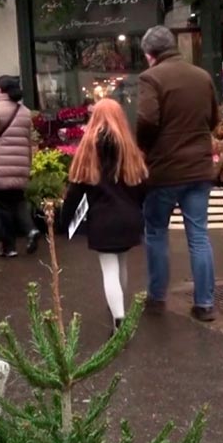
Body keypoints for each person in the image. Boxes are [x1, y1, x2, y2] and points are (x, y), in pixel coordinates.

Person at [136, 25, 220, 322]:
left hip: (164, 171)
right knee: (198, 235)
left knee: (156, 232)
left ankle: (157, 297)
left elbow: (146, 119)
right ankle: (205, 304)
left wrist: (143, 146)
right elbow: (213, 118)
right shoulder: (202, 76)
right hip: (199, 168)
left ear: (150, 54)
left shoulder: (151, 78)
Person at [61, 98, 148, 333]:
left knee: (109, 270)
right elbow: (143, 186)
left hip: (103, 219)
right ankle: (119, 306)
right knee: (122, 264)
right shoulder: (129, 149)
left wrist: (63, 221)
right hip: (129, 218)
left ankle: (119, 323)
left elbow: (75, 192)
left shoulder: (88, 150)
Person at [0, 76, 40, 257]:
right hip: (20, 166)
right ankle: (31, 230)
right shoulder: (25, 112)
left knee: (3, 207)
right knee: (18, 202)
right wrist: (27, 166)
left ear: (0, 90)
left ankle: (9, 247)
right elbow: (28, 142)